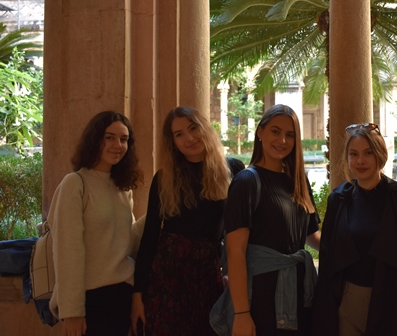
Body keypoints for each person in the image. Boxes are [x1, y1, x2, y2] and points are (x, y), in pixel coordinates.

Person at [131, 106, 244, 336]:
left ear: (205, 129)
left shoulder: (233, 169)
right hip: (166, 275)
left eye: (193, 129)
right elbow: (149, 238)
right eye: (179, 134)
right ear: (172, 142)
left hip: (207, 272)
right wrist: (138, 294)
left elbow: (240, 231)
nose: (189, 138)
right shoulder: (164, 178)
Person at [212, 104, 321, 336]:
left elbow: (311, 236)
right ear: (260, 132)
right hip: (261, 294)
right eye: (275, 131)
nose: (282, 140)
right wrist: (241, 313)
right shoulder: (246, 182)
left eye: (290, 135)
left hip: (299, 291)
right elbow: (236, 251)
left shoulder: (298, 180)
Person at [312, 123, 397, 336]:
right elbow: (328, 257)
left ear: (380, 155)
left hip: (392, 301)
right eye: (353, 154)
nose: (360, 161)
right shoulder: (338, 198)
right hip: (348, 300)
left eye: (368, 153)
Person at [48, 111, 144, 336]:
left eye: (124, 139)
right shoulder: (75, 183)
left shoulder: (122, 188)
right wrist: (72, 311)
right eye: (109, 137)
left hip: (122, 294)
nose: (117, 145)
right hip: (89, 300)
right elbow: (67, 251)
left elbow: (126, 241)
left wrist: (161, 212)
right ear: (95, 139)